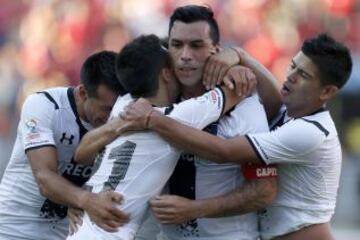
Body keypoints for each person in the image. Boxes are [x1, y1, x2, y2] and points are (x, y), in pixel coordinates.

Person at [120, 33, 352, 240]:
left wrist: (154, 119)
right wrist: (238, 56)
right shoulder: (291, 116)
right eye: (292, 66)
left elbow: (224, 151)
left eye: (302, 74)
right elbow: (274, 99)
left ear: (327, 91)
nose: (290, 76)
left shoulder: (309, 133)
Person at [67, 34, 244, 240]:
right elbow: (236, 90)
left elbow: (81, 154)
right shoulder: (179, 117)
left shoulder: (123, 105)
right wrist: (235, 61)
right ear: (166, 74)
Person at [140, 5, 279, 240]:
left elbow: (264, 191)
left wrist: (195, 209)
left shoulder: (244, 104)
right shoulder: (150, 100)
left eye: (196, 45)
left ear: (217, 51)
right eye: (177, 45)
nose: (185, 55)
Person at [0, 51, 129, 240]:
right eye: (106, 109)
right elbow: (44, 177)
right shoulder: (43, 105)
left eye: (116, 110)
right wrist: (87, 201)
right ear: (83, 92)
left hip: (64, 233)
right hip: (12, 228)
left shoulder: (122, 121)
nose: (112, 117)